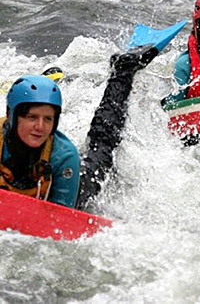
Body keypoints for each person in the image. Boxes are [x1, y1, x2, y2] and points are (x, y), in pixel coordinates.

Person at [0, 46, 157, 210]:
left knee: (102, 145)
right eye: (32, 117)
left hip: (74, 187)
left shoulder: (64, 156)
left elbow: (58, 223)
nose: (40, 127)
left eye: (48, 119)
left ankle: (123, 71)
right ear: (11, 115)